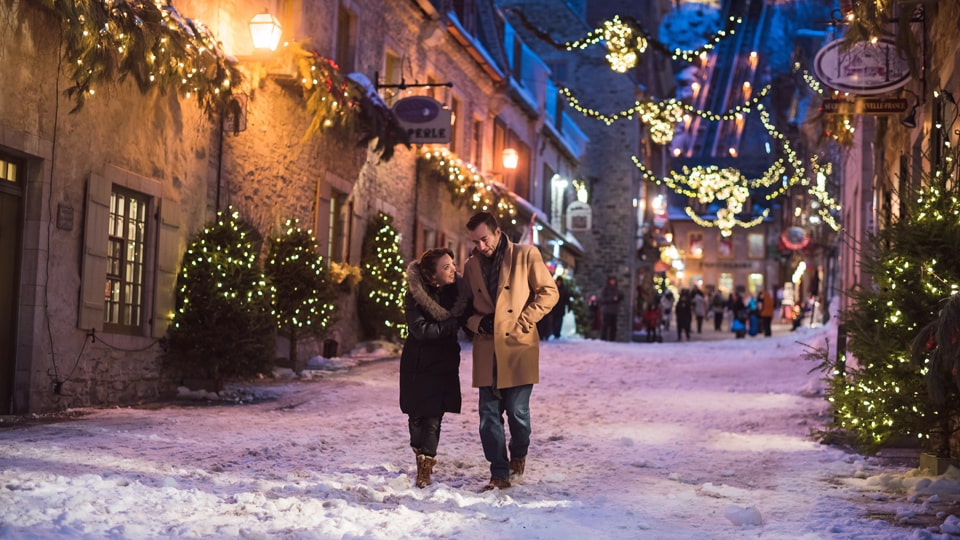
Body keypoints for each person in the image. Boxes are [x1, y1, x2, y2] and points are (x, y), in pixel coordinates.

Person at [462, 211, 558, 491]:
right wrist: (478, 323)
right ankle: (498, 472)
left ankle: (519, 454)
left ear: (498, 231)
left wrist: (524, 321)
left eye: (484, 239)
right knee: (488, 416)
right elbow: (464, 308)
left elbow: (549, 292)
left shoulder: (526, 255)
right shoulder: (471, 266)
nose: (481, 246)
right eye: (475, 241)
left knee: (517, 412)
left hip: (518, 345)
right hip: (487, 348)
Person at [399, 248, 468, 489]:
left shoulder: (458, 294)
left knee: (434, 418)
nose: (453, 270)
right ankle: (419, 451)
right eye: (446, 267)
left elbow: (467, 319)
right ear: (431, 275)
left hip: (443, 363)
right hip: (418, 364)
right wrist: (452, 324)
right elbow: (420, 330)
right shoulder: (414, 295)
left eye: (453, 265)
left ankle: (425, 466)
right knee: (416, 417)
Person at [599, 276, 624, 341]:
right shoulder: (605, 290)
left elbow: (621, 295)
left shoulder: (616, 290)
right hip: (606, 310)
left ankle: (612, 339)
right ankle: (603, 338)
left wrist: (618, 297)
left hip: (614, 311)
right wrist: (612, 299)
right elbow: (602, 299)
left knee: (613, 326)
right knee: (605, 325)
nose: (613, 282)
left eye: (614, 281)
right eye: (611, 280)